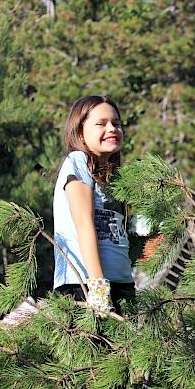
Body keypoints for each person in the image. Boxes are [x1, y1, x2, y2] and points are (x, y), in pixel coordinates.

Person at [52, 95, 134, 316]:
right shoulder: (77, 161)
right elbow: (83, 223)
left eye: (116, 123)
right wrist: (98, 288)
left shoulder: (115, 178)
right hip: (85, 286)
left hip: (121, 283)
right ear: (80, 132)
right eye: (101, 123)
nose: (112, 129)